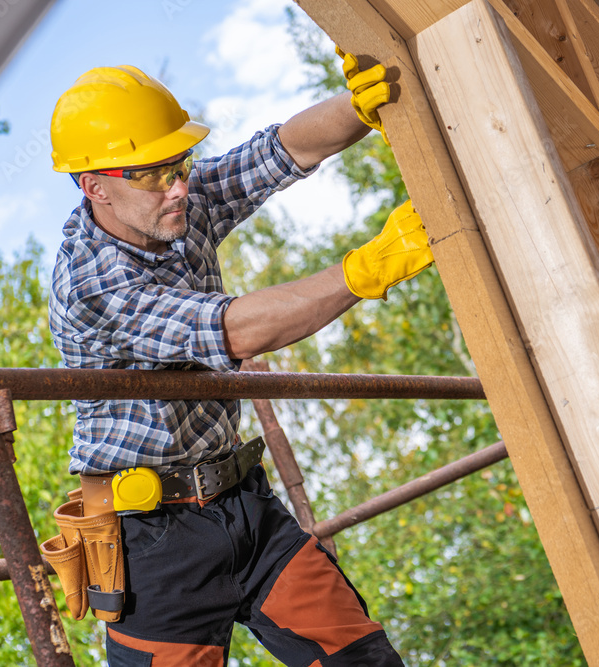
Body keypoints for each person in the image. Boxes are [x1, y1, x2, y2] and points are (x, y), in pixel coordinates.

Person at [45, 59, 429, 666]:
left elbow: (273, 155)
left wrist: (356, 108)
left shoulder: (171, 205)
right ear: (95, 186)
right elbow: (231, 330)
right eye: (154, 175)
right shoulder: (93, 281)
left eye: (181, 166)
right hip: (153, 543)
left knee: (365, 660)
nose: (178, 187)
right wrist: (366, 270)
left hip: (243, 506)